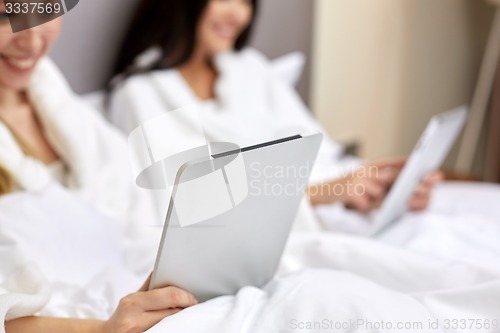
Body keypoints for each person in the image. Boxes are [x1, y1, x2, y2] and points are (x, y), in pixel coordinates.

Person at [108, 0, 442, 222]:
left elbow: (320, 155)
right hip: (269, 236)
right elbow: (183, 208)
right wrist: (324, 194)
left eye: (246, 1)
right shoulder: (140, 94)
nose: (239, 15)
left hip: (321, 217)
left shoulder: (251, 70)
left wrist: (383, 184)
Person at [0, 4, 197, 333]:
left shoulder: (82, 124)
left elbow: (143, 230)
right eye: (6, 16)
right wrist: (102, 328)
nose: (32, 41)